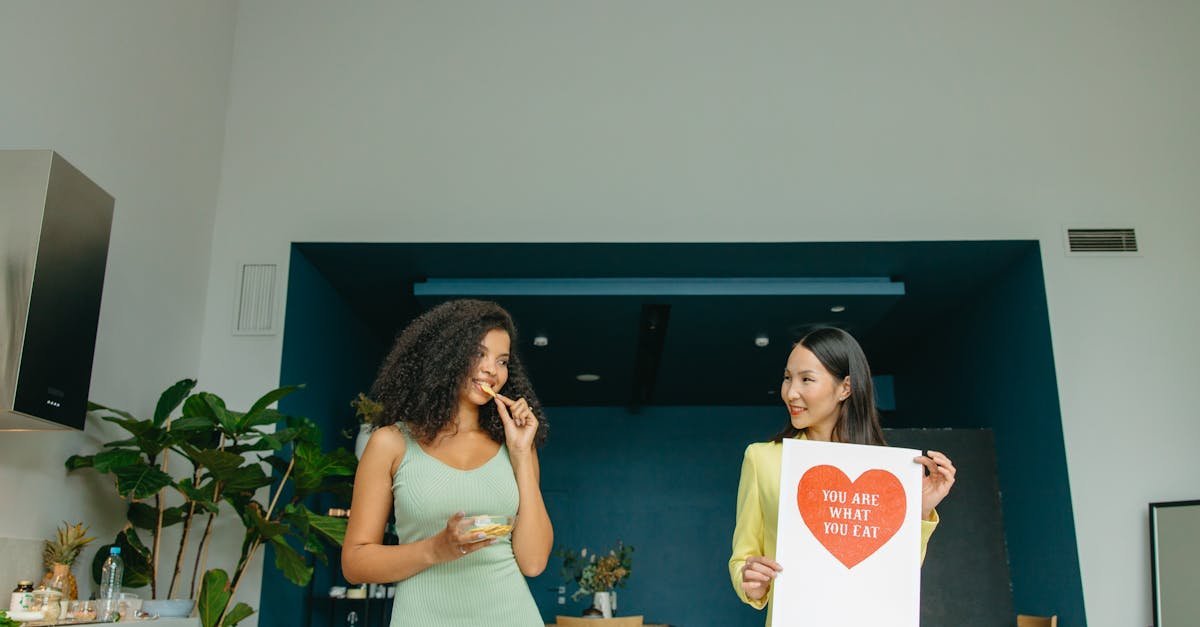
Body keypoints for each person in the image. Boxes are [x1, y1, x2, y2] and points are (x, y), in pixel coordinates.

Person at [342, 299, 552, 626]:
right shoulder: (391, 443)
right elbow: (355, 563)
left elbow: (534, 562)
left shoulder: (514, 448)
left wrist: (523, 454)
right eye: (478, 354)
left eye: (502, 361)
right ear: (446, 354)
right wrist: (436, 549)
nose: (491, 370)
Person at [728, 327, 956, 625]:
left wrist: (921, 509)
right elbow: (742, 556)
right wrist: (750, 579)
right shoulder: (763, 459)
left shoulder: (884, 472)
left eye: (806, 379)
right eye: (787, 377)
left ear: (845, 388)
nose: (790, 392)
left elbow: (896, 575)